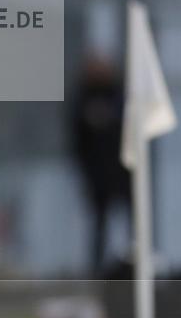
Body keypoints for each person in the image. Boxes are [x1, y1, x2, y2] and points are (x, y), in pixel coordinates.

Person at [70, 55, 130, 276]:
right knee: (99, 226)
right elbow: (77, 141)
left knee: (131, 222)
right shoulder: (83, 98)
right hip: (97, 176)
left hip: (122, 173)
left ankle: (133, 262)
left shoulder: (119, 96)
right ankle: (96, 270)